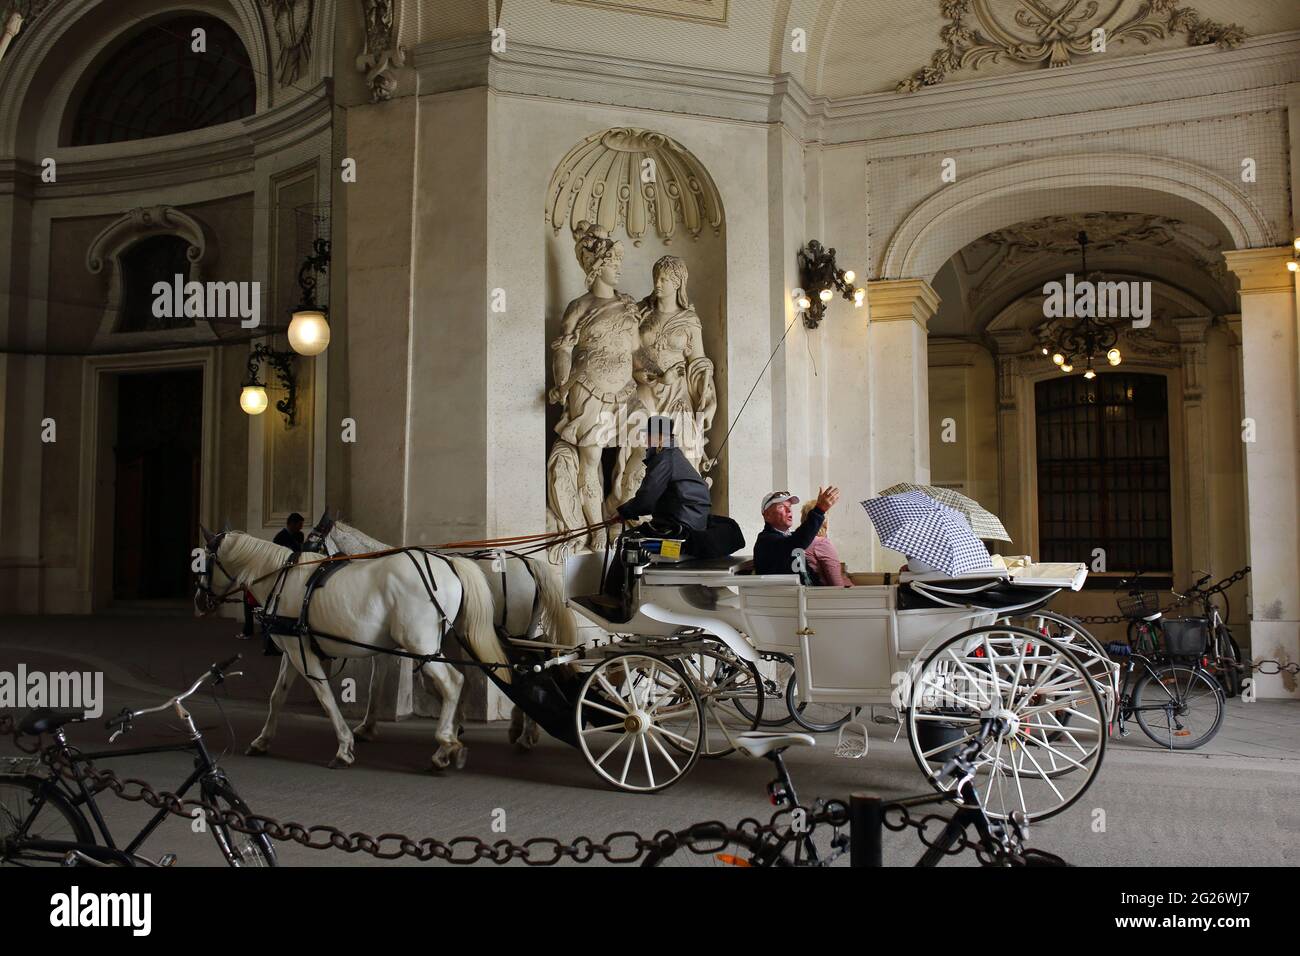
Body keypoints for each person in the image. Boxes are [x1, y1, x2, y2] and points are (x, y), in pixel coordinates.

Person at [615, 416, 711, 534]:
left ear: (659, 436)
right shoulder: (671, 454)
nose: (646, 441)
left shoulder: (665, 459)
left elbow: (647, 498)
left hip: (684, 520)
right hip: (692, 517)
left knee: (632, 538)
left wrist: (625, 511)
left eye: (648, 437)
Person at [754, 486, 841, 583]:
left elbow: (807, 574)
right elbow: (797, 541)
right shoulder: (766, 541)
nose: (789, 510)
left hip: (806, 595)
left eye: (789, 506)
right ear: (767, 515)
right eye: (781, 506)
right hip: (788, 597)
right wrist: (819, 510)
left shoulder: (787, 537)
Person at [799, 500, 853, 588]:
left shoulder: (796, 541)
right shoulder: (821, 543)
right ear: (824, 520)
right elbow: (837, 584)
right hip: (829, 596)